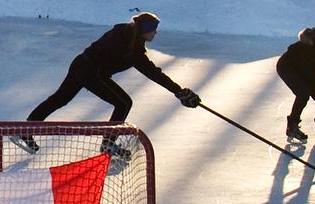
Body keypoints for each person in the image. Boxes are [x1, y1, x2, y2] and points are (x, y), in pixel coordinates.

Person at [14, 12, 201, 155]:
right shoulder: (132, 48)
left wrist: (179, 91)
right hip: (89, 71)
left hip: (83, 65)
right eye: (153, 28)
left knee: (59, 99)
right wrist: (179, 92)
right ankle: (108, 144)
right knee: (123, 103)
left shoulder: (124, 32)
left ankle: (26, 129)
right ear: (145, 30)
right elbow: (153, 72)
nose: (156, 32)